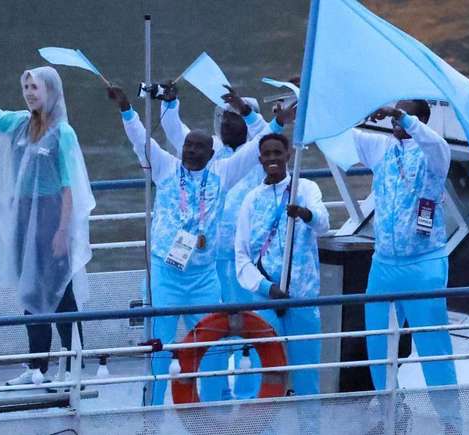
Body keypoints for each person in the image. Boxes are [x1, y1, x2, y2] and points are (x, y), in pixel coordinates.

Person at [106, 85, 294, 405]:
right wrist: (126, 109)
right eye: (188, 145)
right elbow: (141, 140)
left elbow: (253, 151)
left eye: (198, 148)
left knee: (215, 347)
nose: (191, 151)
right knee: (160, 346)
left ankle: (212, 411)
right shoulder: (165, 168)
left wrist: (277, 124)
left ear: (211, 153)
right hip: (167, 275)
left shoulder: (223, 172)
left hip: (203, 279)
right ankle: (150, 412)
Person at [0, 67, 95, 385]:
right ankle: (37, 367)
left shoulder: (63, 133)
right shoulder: (19, 124)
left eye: (36, 87)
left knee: (62, 293)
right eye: (27, 86)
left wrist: (62, 231)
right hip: (24, 214)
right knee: (30, 290)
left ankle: (73, 365)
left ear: (51, 91)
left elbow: (70, 186)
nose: (30, 92)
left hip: (51, 216)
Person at [350, 100, 460, 432]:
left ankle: (452, 423)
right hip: (384, 264)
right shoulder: (380, 147)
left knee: (433, 345)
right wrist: (307, 92)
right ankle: (392, 414)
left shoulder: (434, 153)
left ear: (419, 118)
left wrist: (401, 116)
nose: (393, 118)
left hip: (424, 262)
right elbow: (338, 132)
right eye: (395, 113)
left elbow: (435, 143)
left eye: (403, 113)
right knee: (377, 345)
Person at [159, 83, 267, 398]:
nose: (226, 122)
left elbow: (264, 132)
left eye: (235, 117)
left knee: (246, 329)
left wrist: (248, 112)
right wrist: (171, 102)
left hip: (246, 260)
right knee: (215, 333)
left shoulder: (259, 154)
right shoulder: (211, 151)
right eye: (223, 117)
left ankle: (249, 395)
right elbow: (174, 130)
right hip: (207, 260)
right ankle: (215, 395)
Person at [235, 132, 329, 399]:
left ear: (289, 155)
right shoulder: (252, 199)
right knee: (265, 374)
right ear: (260, 159)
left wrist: (303, 213)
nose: (273, 158)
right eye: (267, 154)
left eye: (278, 153)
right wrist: (267, 288)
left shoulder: (306, 189)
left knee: (306, 375)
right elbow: (241, 257)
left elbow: (323, 224)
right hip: (266, 299)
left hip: (303, 298)